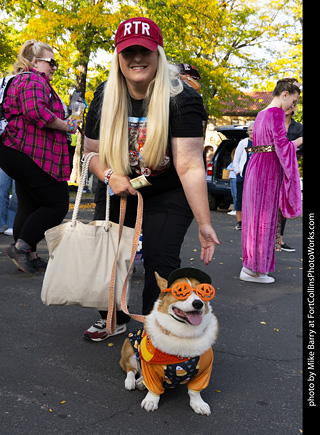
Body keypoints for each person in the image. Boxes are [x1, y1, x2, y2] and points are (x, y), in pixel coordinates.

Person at [83, 17, 220, 341]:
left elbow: (189, 166)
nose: (137, 59)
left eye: (144, 50)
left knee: (160, 261)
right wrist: (111, 176)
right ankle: (113, 318)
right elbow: (90, 153)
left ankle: (153, 335)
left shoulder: (182, 98)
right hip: (118, 185)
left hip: (168, 191)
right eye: (128, 52)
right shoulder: (105, 95)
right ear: (118, 56)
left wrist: (204, 223)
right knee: (109, 258)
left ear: (157, 53)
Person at [0, 39, 79, 274]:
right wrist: (66, 126)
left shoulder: (22, 79)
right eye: (51, 61)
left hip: (16, 150)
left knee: (30, 202)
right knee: (56, 203)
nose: (55, 66)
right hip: (25, 150)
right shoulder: (33, 78)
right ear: (35, 62)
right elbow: (36, 112)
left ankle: (28, 253)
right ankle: (22, 248)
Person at [240, 78, 303, 284]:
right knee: (265, 219)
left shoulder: (260, 114)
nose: (292, 107)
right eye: (293, 102)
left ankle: (250, 267)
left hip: (256, 167)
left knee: (254, 219)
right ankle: (257, 270)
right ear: (284, 95)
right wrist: (300, 140)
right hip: (267, 171)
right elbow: (282, 146)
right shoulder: (276, 113)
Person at [280, 105, 303, 252]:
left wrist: (291, 149)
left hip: (289, 169)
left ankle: (279, 239)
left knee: (283, 203)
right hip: (272, 166)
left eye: (293, 105)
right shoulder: (274, 124)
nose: (289, 107)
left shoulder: (299, 127)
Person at [233, 121, 254, 230]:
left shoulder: (260, 143)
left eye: (254, 130)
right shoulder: (243, 143)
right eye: (250, 130)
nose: (252, 132)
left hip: (254, 178)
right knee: (240, 199)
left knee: (252, 199)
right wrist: (237, 171)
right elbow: (236, 159)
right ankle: (239, 222)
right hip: (242, 175)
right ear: (247, 132)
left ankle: (250, 221)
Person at [0, 169, 18, 235]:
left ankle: (13, 224)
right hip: (3, 160)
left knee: (16, 191)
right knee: (1, 186)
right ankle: (1, 224)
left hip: (21, 160)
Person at [227, 148, 237, 215]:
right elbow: (228, 167)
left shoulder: (238, 162)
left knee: (236, 195)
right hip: (232, 178)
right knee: (233, 194)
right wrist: (233, 169)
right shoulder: (233, 162)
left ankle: (236, 209)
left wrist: (233, 169)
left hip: (235, 178)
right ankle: (234, 209)